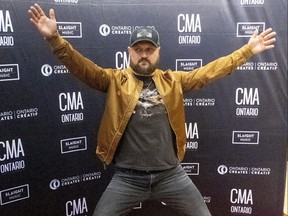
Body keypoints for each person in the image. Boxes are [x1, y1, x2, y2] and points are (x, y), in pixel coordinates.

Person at [28, 3, 276, 216]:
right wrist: (54, 38)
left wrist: (246, 51)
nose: (143, 55)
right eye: (138, 50)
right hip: (128, 178)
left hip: (171, 176)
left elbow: (209, 72)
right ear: (130, 52)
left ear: (158, 52)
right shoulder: (114, 80)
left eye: (149, 50)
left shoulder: (174, 81)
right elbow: (80, 66)